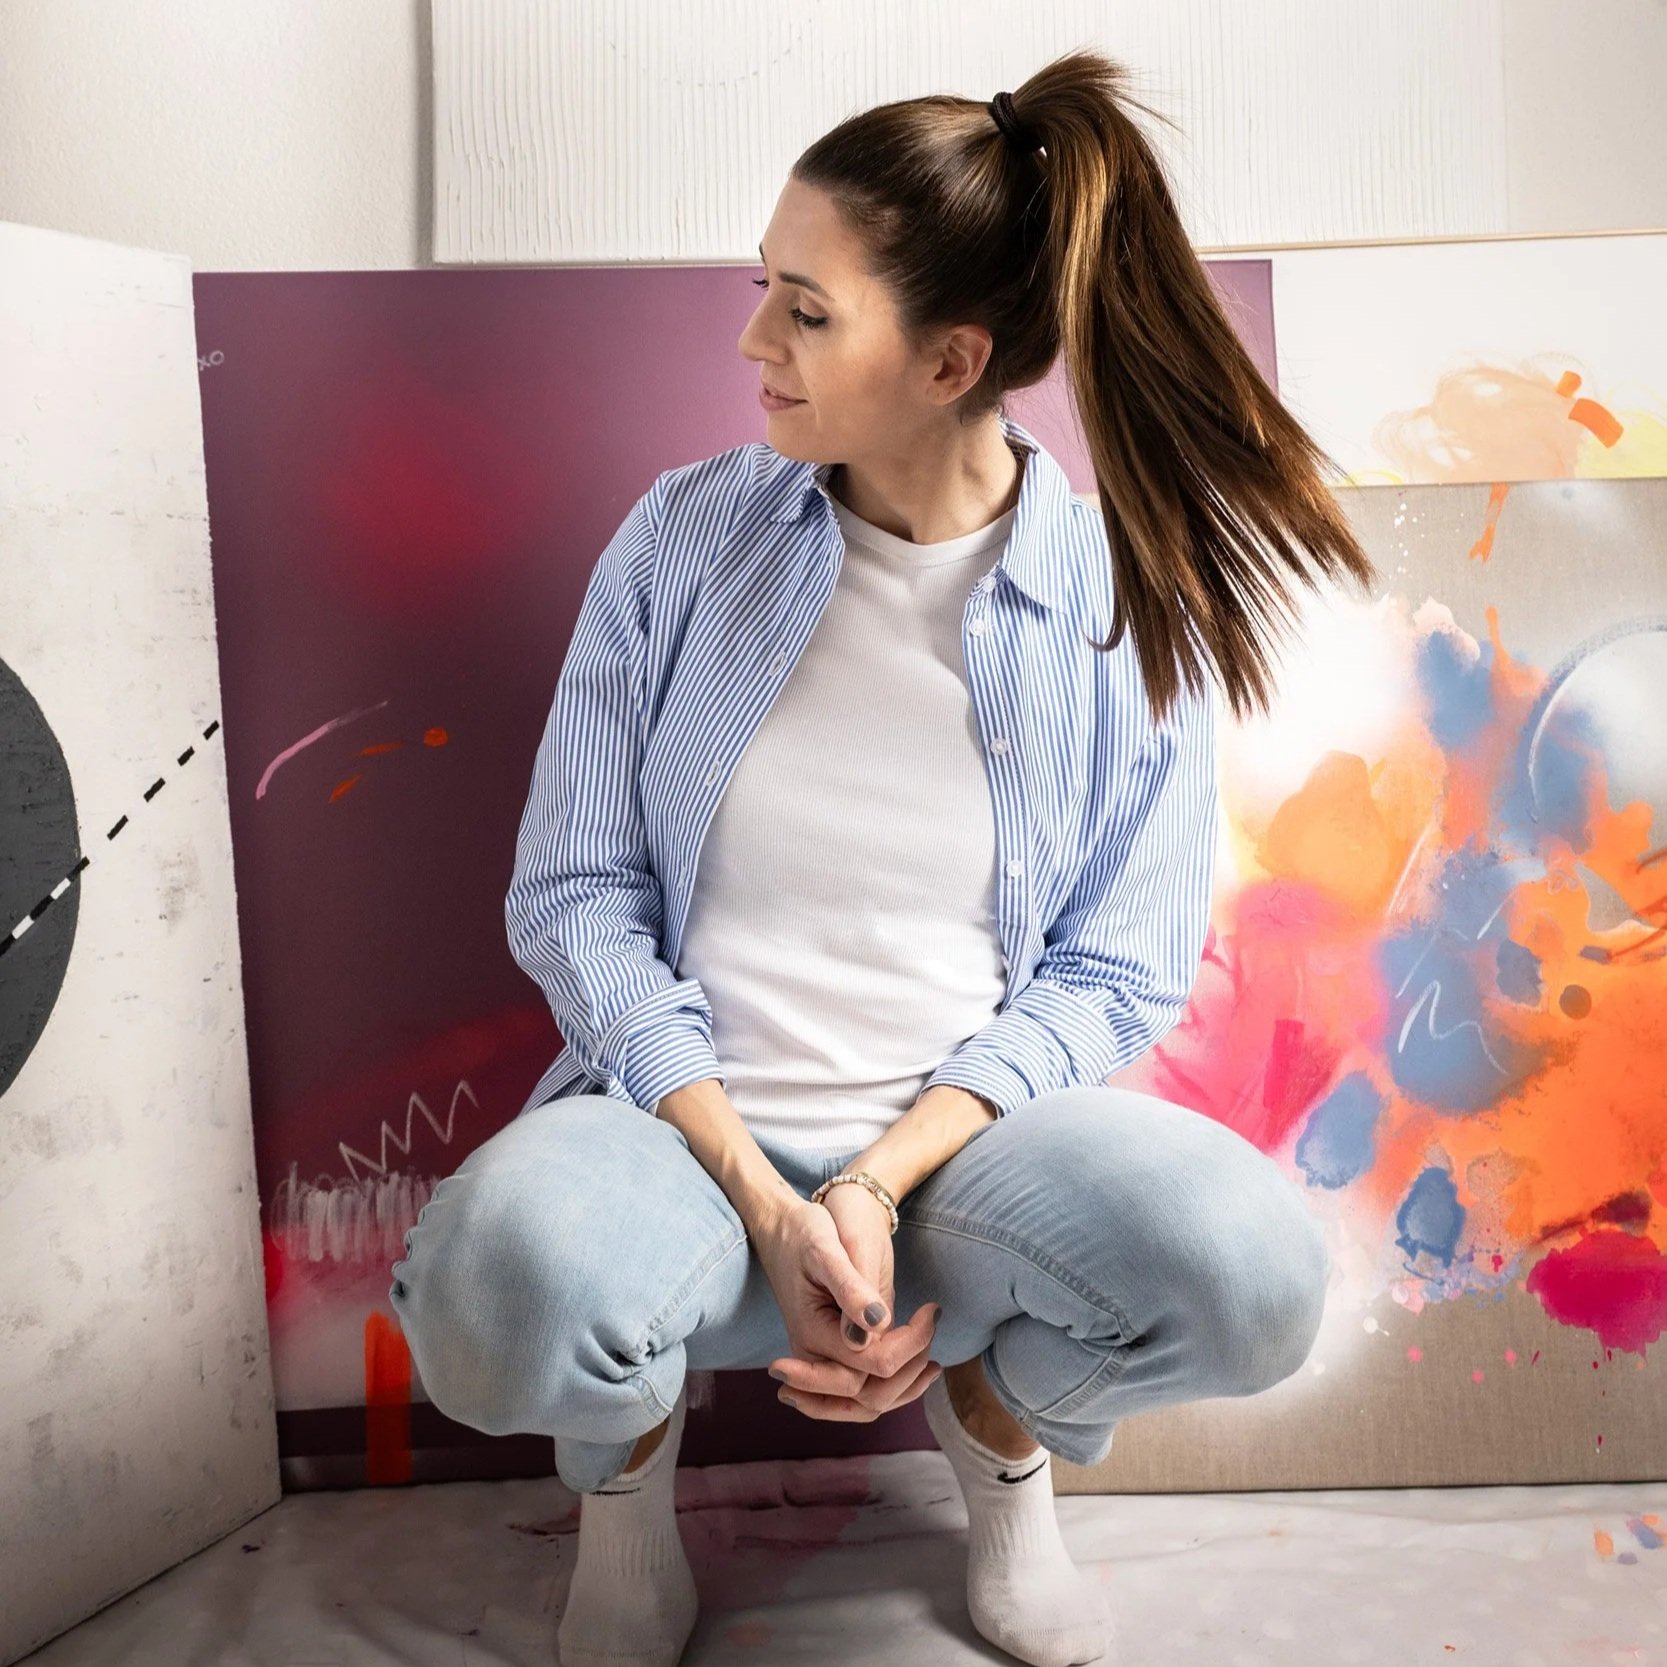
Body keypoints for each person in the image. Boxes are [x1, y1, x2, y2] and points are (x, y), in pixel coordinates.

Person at [389, 47, 1372, 1667]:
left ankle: (997, 1419)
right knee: (492, 1300)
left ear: (949, 359)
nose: (753, 338)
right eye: (762, 288)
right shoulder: (685, 540)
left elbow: (1115, 973)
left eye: (808, 308)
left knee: (1252, 1277)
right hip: (679, 1145)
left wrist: (873, 1180)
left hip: (972, 1168)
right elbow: (573, 896)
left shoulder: (1129, 608)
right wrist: (771, 1201)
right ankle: (626, 1497)